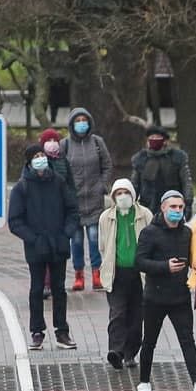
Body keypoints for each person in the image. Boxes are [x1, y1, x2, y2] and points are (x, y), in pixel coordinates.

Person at [134, 190, 196, 391]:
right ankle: (144, 384)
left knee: (187, 340)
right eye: (173, 207)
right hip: (155, 297)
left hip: (180, 297)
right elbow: (139, 262)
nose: (177, 211)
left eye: (181, 207)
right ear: (163, 208)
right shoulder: (150, 232)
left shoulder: (187, 232)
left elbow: (195, 257)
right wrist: (164, 266)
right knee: (149, 341)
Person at [8, 144, 79, 351]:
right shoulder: (22, 187)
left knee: (59, 289)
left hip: (58, 244)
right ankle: (37, 331)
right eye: (36, 156)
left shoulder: (58, 182)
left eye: (42, 155)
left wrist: (66, 233)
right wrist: (33, 239)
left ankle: (62, 331)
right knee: (37, 289)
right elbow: (15, 221)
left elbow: (73, 210)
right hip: (36, 247)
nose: (41, 159)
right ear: (29, 162)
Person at [98, 178, 153, 370]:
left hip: (140, 274)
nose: (122, 197)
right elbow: (103, 245)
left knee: (137, 316)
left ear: (133, 194)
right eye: (118, 193)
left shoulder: (144, 215)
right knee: (117, 313)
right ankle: (116, 351)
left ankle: (130, 353)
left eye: (126, 193)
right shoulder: (106, 217)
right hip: (116, 273)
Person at [60, 107, 112, 292]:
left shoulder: (97, 142)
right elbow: (60, 169)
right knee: (76, 241)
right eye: (77, 121)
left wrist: (102, 186)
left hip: (94, 201)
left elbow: (107, 165)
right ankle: (78, 274)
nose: (81, 124)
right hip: (74, 203)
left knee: (94, 238)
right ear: (72, 124)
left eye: (84, 120)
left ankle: (97, 274)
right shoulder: (65, 144)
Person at [38, 128, 75, 299]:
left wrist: (71, 207)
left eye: (55, 140)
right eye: (49, 140)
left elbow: (71, 185)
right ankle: (45, 284)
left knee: (59, 252)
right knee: (44, 251)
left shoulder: (63, 161)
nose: (52, 143)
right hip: (43, 215)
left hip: (61, 214)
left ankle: (57, 284)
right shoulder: (38, 161)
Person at [130, 126, 194, 218]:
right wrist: (131, 202)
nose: (154, 140)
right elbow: (134, 184)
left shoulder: (177, 158)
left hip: (172, 205)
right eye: (152, 138)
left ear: (165, 141)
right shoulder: (141, 159)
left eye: (157, 138)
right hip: (148, 206)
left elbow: (186, 182)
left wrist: (188, 203)